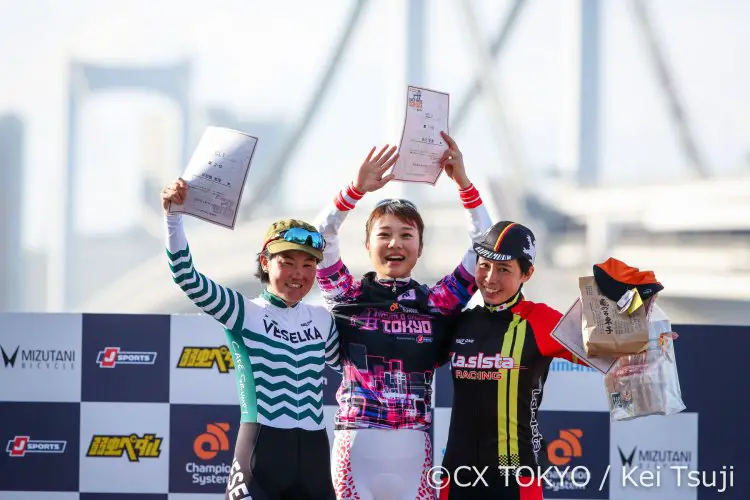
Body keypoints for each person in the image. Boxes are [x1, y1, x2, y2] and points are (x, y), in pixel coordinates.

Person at [313, 134, 492, 500]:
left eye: (406, 235)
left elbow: (484, 244)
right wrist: (354, 190)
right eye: (384, 234)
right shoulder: (347, 295)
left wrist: (464, 184)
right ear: (367, 245)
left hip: (416, 451)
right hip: (355, 445)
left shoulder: (439, 302)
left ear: (420, 247)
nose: (395, 243)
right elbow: (318, 238)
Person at [162, 178, 341, 500]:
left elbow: (354, 369)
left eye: (308, 264)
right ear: (264, 262)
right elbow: (185, 276)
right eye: (287, 263)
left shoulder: (323, 318)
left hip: (315, 453)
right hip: (262, 450)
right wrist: (173, 217)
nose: (299, 274)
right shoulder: (242, 311)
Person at [439, 221, 589, 500]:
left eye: (504, 269)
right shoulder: (461, 321)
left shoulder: (540, 320)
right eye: (484, 266)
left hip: (515, 475)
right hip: (457, 473)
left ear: (527, 273)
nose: (490, 278)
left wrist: (650, 340)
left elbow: (603, 354)